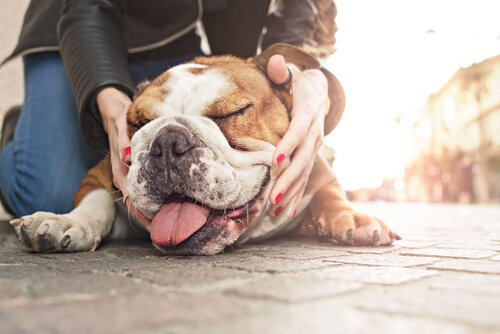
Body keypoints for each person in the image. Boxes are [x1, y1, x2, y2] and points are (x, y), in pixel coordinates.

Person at [0, 0, 344, 228]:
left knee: (194, 141)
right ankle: (22, 130)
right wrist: (110, 100)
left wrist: (303, 76)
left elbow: (294, 16)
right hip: (74, 30)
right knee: (52, 195)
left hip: (176, 40)